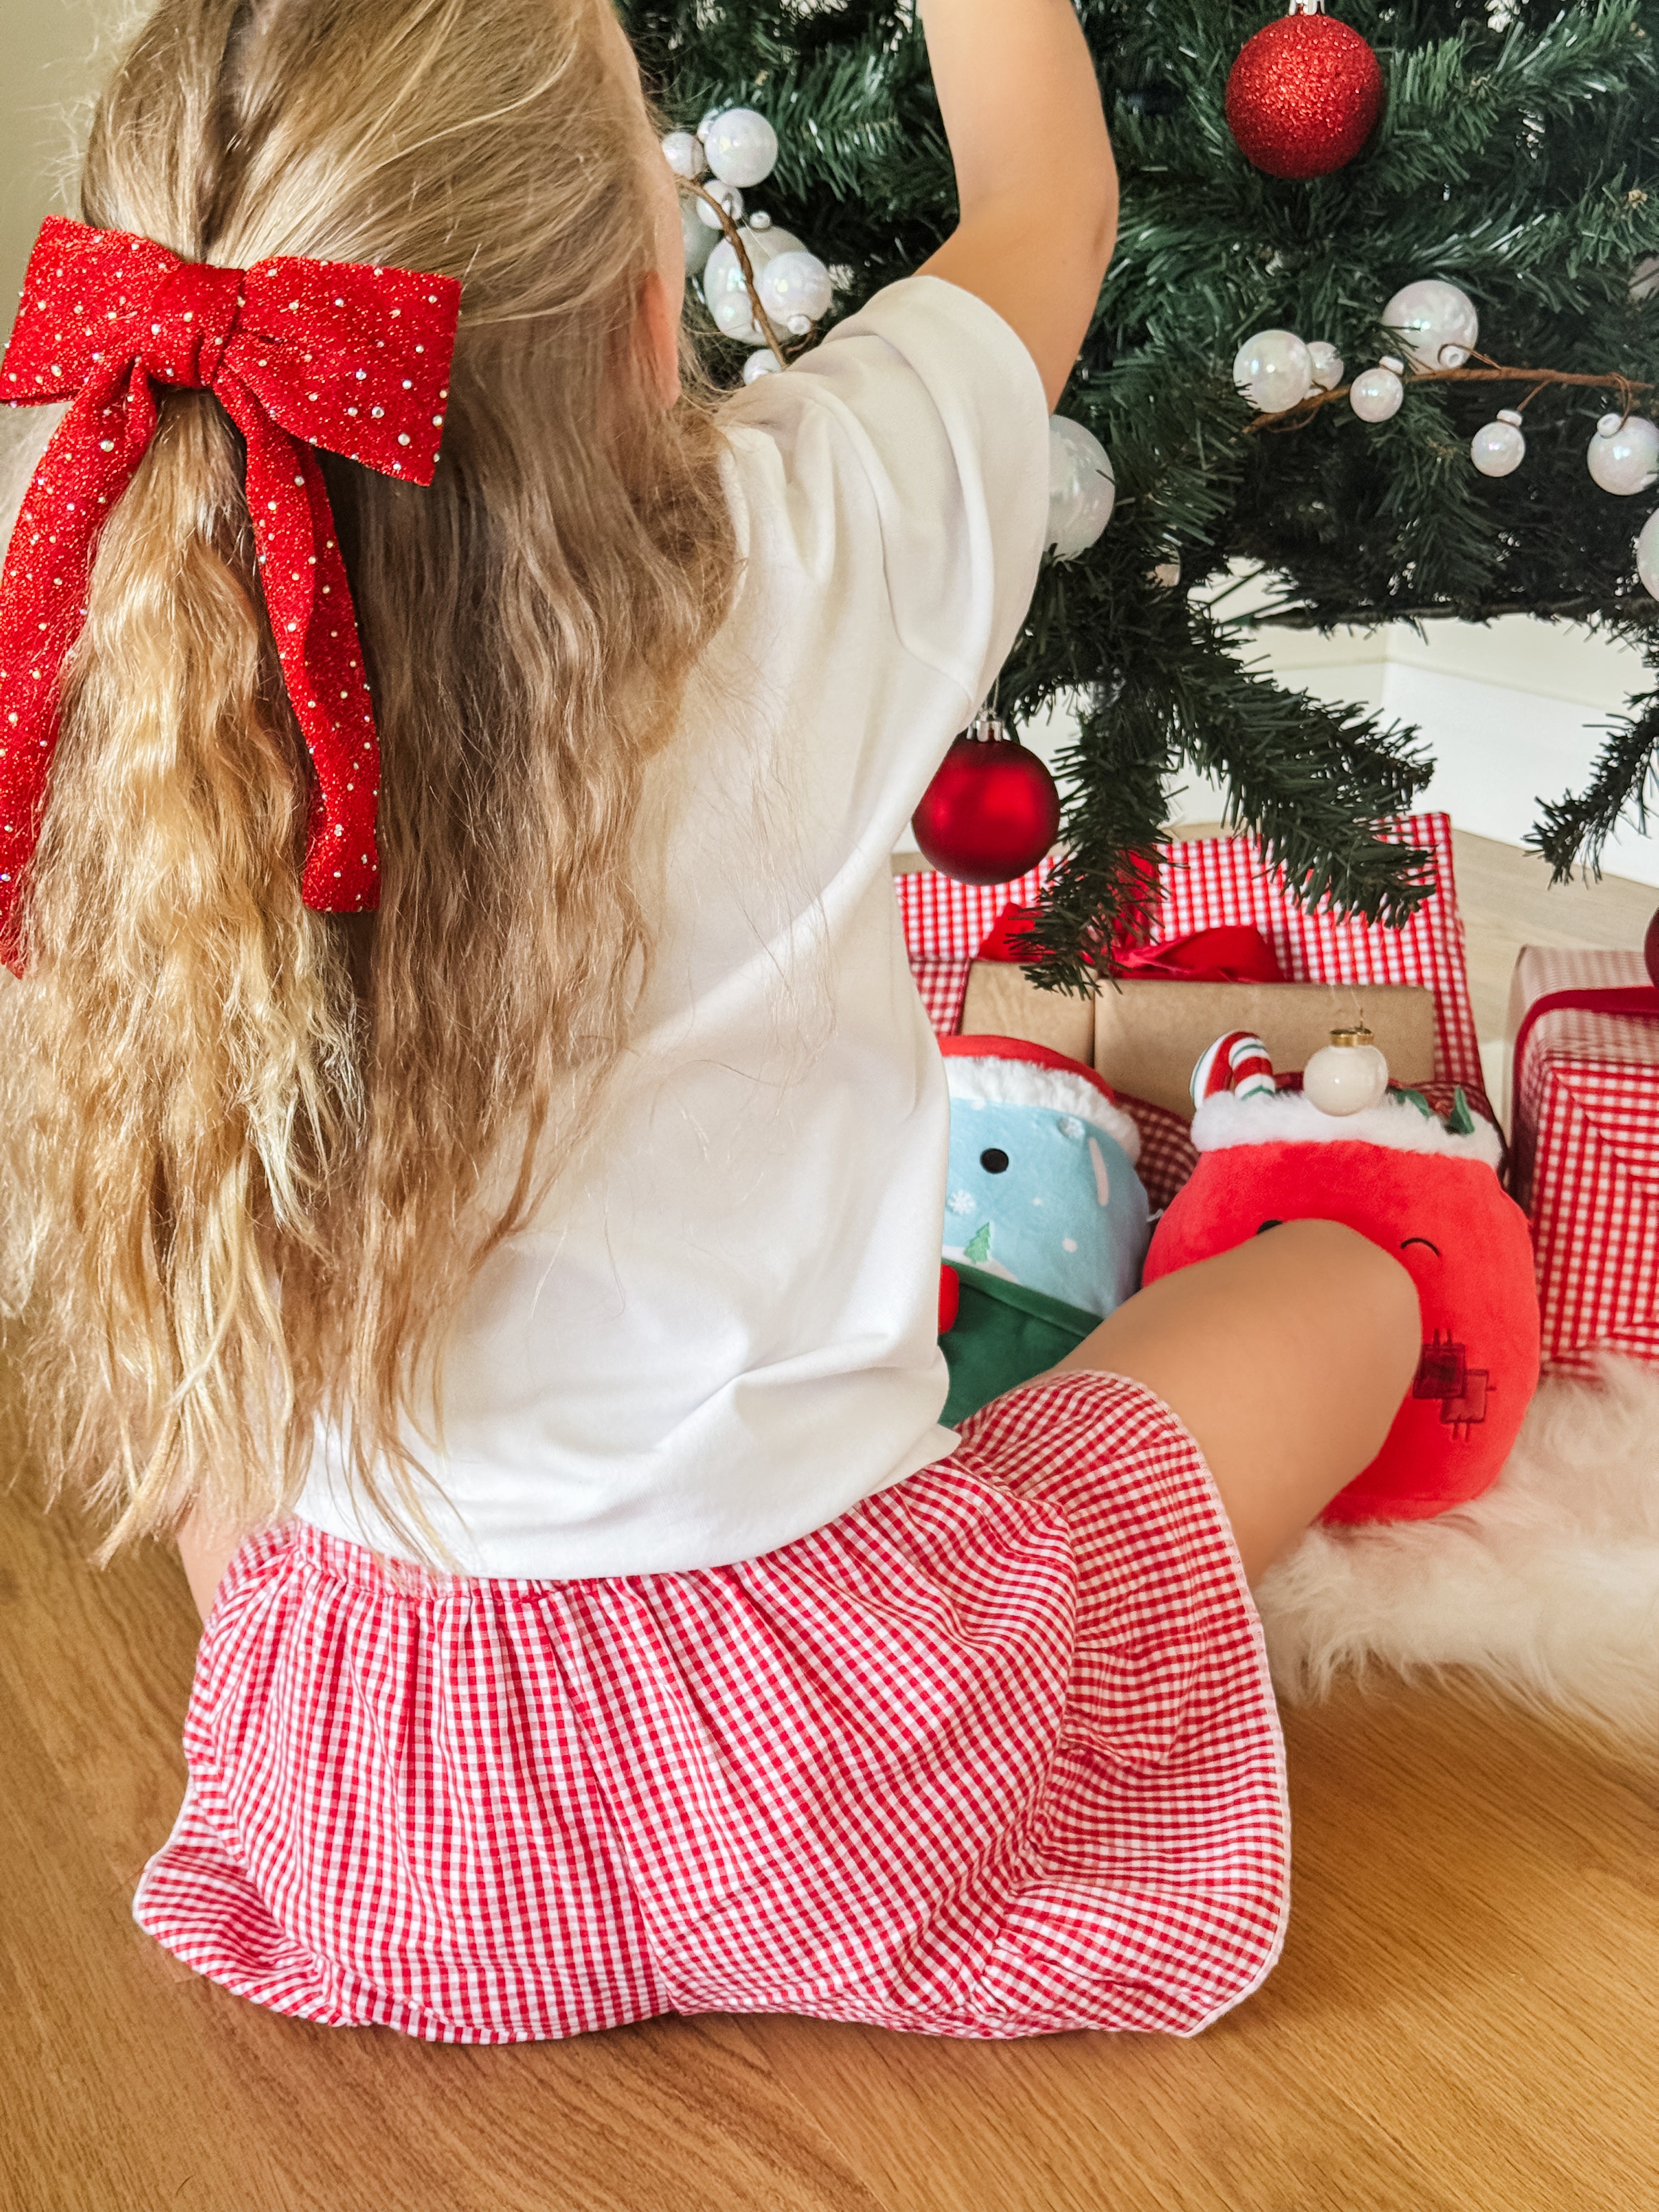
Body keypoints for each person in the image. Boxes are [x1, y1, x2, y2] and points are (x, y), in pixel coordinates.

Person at [0, 0, 1419, 2044]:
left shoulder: (108, 632)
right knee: (1338, 1294)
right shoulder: (801, 545)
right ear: (645, 318)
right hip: (855, 1770)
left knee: (243, 1370)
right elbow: (1051, 198)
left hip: (387, 1834)